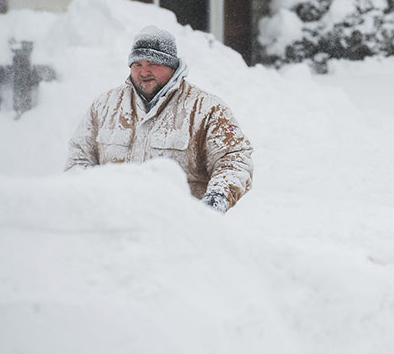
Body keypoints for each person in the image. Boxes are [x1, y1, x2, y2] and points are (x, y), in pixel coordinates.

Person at [65, 25, 253, 213]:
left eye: (153, 64)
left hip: (178, 229)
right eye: (137, 64)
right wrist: (86, 198)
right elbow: (80, 155)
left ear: (171, 66)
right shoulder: (105, 106)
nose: (144, 72)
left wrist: (216, 200)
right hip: (114, 225)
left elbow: (234, 160)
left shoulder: (206, 109)